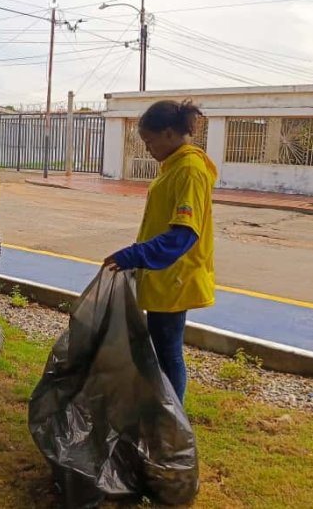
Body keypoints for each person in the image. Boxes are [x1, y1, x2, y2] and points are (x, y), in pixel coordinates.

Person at [104, 100, 216, 403]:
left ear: (168, 133)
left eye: (149, 141)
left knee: (168, 353)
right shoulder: (176, 166)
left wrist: (134, 254)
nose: (148, 149)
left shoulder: (190, 170)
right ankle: (164, 411)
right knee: (162, 348)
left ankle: (171, 419)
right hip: (162, 277)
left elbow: (183, 235)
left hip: (175, 278)